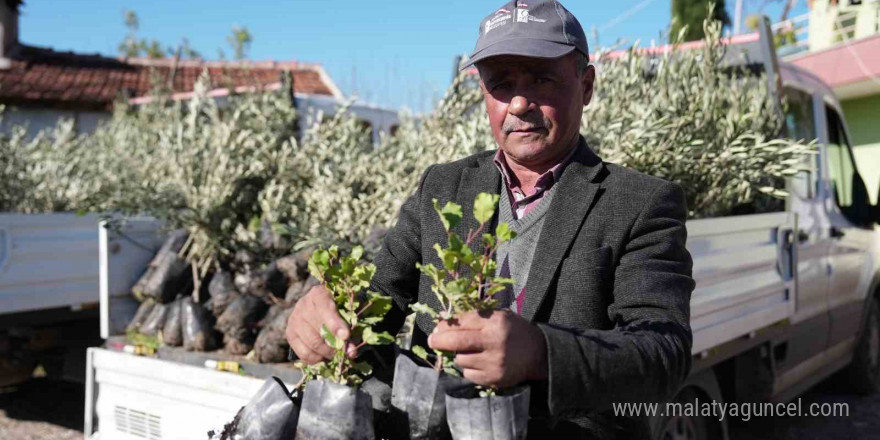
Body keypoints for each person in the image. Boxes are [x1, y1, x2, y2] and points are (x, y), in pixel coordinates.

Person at [286, 0, 695, 437]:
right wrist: (326, 311)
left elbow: (663, 352)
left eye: (541, 79)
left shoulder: (640, 203)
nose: (519, 103)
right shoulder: (442, 188)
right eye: (501, 84)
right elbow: (379, 293)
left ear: (586, 84)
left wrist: (543, 353)